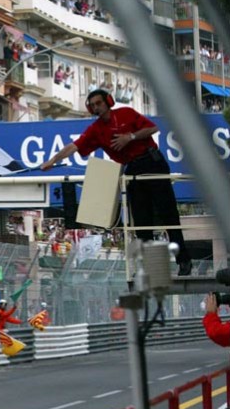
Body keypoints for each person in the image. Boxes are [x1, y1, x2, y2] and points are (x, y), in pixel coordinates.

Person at [41, 89, 192, 276]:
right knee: (141, 222)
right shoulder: (96, 130)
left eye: (99, 103)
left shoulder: (126, 113)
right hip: (132, 169)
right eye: (93, 105)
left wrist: (130, 137)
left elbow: (153, 128)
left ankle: (184, 261)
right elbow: (75, 146)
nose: (97, 107)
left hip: (152, 163)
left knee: (169, 215)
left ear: (108, 101)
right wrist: (53, 161)